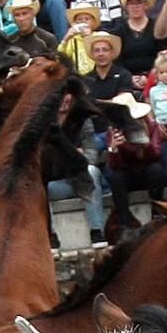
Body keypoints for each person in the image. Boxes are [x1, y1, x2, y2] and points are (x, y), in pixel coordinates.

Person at [46, 95, 103, 247]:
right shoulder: (44, 124)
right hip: (58, 183)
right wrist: (75, 154)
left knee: (92, 171)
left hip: (82, 177)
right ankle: (50, 236)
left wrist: (66, 156)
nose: (64, 99)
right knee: (38, 185)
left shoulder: (83, 121)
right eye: (60, 94)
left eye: (67, 94)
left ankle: (97, 231)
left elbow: (92, 156)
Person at [103, 92, 163, 233]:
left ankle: (157, 213)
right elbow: (115, 166)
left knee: (156, 170)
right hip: (127, 173)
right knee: (115, 176)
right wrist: (114, 149)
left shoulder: (152, 126)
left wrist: (145, 145)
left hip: (147, 168)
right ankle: (125, 221)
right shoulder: (115, 131)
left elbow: (156, 154)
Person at [113, 0, 166, 87]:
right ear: (126, 6)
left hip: (155, 78)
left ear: (146, 5)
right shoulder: (118, 31)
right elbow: (117, 59)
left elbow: (162, 54)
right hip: (126, 79)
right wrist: (129, 78)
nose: (135, 7)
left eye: (138, 3)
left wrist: (150, 75)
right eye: (131, 3)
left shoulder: (156, 28)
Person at [59, 2, 101, 74]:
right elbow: (61, 56)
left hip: (96, 75)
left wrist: (89, 37)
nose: (83, 21)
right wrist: (66, 38)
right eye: (79, 19)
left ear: (93, 22)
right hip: (79, 76)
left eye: (87, 19)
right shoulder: (72, 40)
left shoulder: (98, 36)